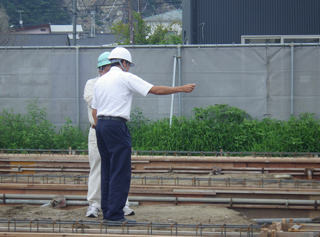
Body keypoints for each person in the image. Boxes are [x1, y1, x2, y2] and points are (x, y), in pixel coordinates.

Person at [92, 47, 196, 222]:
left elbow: (95, 111)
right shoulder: (125, 77)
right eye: (128, 65)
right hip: (116, 125)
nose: (129, 68)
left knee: (108, 170)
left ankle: (107, 211)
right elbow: (154, 89)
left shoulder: (100, 81)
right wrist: (181, 88)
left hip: (100, 125)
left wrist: (101, 127)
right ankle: (115, 215)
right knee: (120, 171)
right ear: (124, 63)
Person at [83, 51, 135, 218]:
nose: (106, 70)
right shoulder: (93, 83)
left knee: (117, 168)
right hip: (97, 129)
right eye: (104, 67)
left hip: (108, 129)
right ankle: (95, 204)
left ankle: (120, 204)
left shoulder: (116, 81)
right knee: (98, 168)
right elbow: (93, 100)